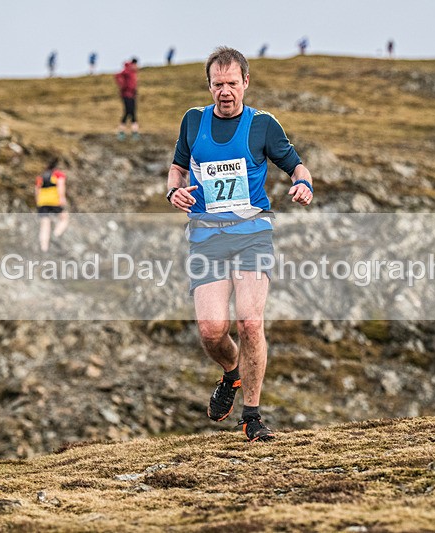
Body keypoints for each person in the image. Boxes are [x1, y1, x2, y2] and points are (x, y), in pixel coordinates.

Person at [166, 46, 314, 442]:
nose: (225, 91)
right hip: (206, 237)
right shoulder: (193, 121)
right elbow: (178, 167)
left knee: (250, 321)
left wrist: (303, 182)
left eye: (233, 83)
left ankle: (252, 415)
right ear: (209, 85)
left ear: (246, 83)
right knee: (213, 331)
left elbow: (297, 165)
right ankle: (231, 375)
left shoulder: (263, 125)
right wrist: (173, 192)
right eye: (218, 84)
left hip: (252, 235)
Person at [35, 157, 69, 252]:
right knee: (64, 218)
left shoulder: (41, 176)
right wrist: (62, 198)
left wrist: (38, 201)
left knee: (45, 223)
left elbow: (37, 190)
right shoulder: (58, 174)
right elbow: (61, 186)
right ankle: (56, 234)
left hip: (42, 202)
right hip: (54, 200)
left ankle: (44, 247)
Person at [115, 57, 139, 140]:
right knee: (128, 112)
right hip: (126, 95)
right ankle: (122, 131)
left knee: (133, 112)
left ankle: (135, 131)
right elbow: (118, 75)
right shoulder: (127, 70)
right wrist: (123, 86)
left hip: (132, 95)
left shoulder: (133, 72)